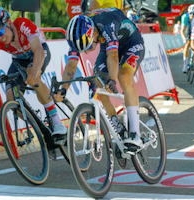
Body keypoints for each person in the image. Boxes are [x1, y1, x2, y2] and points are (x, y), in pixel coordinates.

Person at [55, 8, 145, 150]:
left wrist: (112, 80)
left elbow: (113, 55)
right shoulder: (78, 33)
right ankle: (118, 127)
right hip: (109, 45)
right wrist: (63, 89)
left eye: (89, 46)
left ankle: (135, 134)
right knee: (99, 84)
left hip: (131, 42)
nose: (86, 51)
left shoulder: (108, 23)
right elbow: (71, 66)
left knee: (124, 77)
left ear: (94, 33)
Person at [0, 7, 67, 142]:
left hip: (39, 53)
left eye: (0, 31)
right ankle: (40, 127)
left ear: (9, 23)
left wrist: (34, 73)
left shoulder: (23, 25)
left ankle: (58, 123)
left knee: (32, 75)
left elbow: (39, 51)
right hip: (19, 60)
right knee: (11, 99)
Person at [181, 4, 194, 73]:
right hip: (189, 28)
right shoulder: (185, 17)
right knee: (187, 43)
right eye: (190, 13)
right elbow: (182, 30)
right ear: (188, 12)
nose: (192, 15)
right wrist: (184, 39)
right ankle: (185, 65)